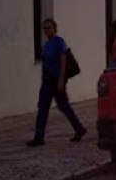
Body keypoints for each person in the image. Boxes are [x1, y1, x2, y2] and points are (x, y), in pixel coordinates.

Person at [28, 18, 86, 147]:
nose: (46, 30)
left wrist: (61, 80)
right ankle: (39, 137)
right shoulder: (47, 44)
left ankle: (79, 128)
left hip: (56, 80)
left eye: (49, 27)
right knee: (43, 107)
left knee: (64, 106)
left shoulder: (58, 42)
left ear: (54, 28)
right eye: (44, 28)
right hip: (47, 81)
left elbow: (63, 60)